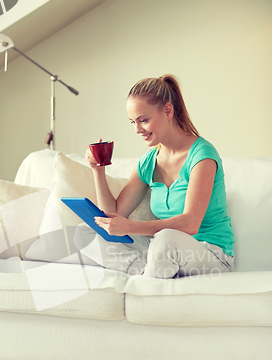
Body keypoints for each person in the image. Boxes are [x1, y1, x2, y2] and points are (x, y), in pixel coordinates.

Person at [79, 74, 235, 279]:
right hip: (164, 250)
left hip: (210, 254)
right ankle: (146, 271)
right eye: (133, 122)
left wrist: (133, 227)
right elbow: (114, 215)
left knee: (166, 240)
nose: (137, 129)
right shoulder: (148, 162)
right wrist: (98, 170)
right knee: (85, 232)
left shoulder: (202, 155)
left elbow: (190, 224)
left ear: (168, 111)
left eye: (143, 120)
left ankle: (154, 271)